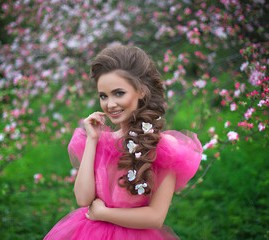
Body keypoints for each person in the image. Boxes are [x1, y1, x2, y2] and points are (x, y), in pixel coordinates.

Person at [43, 45, 203, 239]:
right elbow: (83, 198)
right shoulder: (101, 142)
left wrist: (104, 214)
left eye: (119, 93)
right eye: (103, 96)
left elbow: (156, 217)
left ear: (141, 91)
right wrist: (93, 140)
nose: (110, 104)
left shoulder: (163, 147)